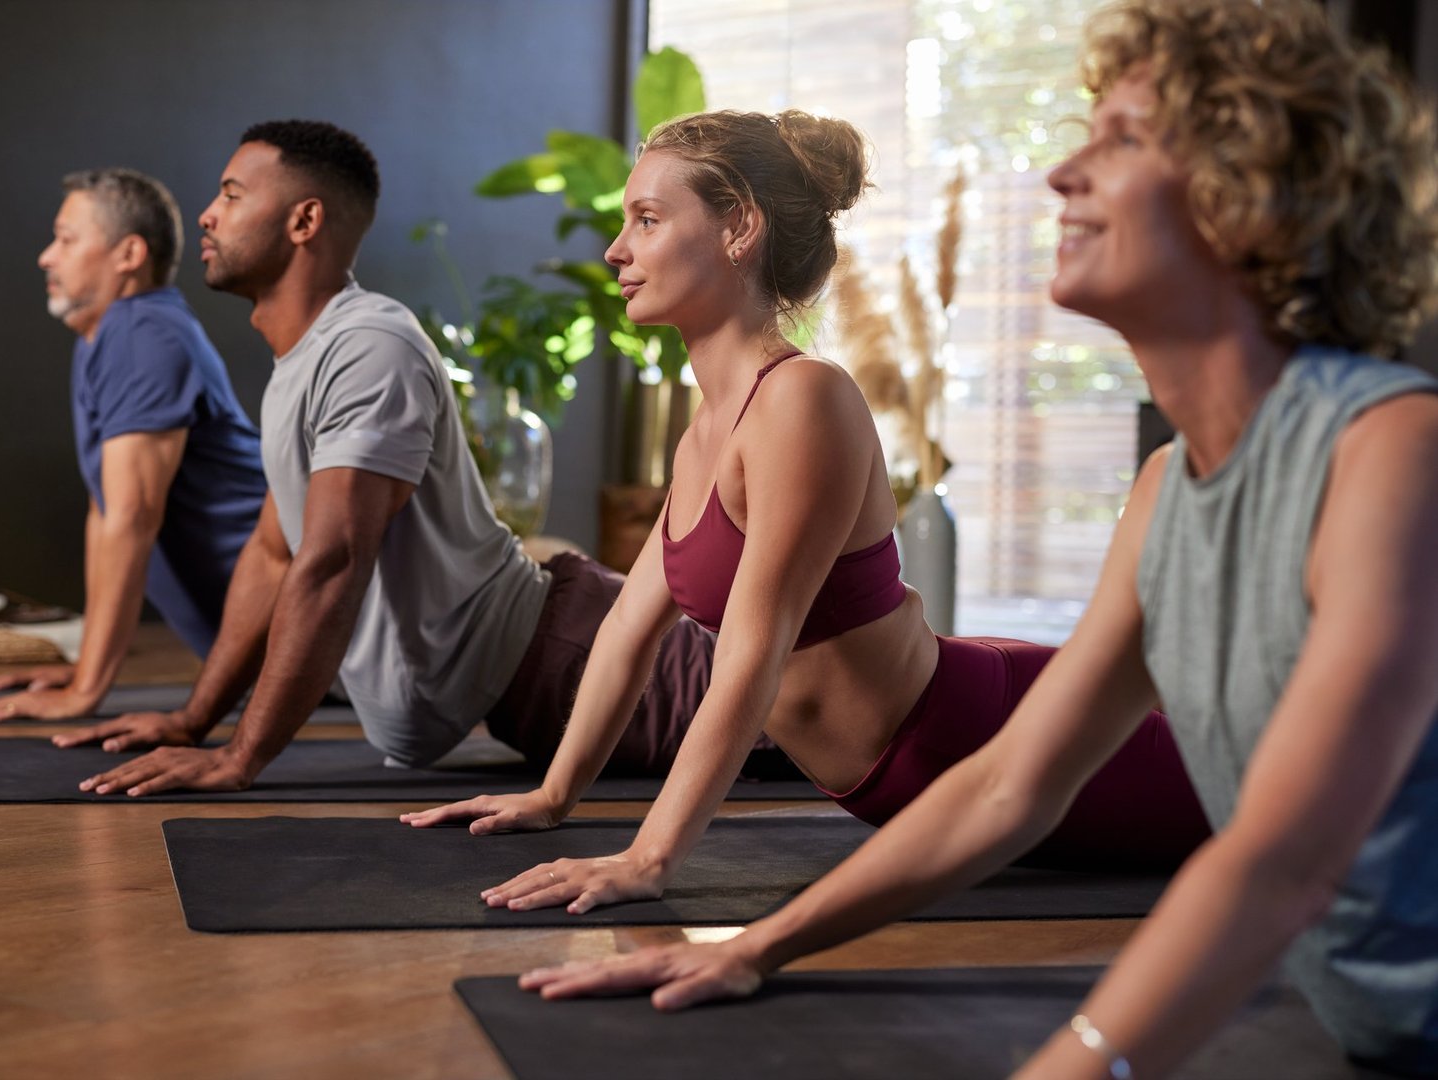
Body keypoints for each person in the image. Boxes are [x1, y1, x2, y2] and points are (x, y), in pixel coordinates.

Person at [512, 1, 1438, 1075]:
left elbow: (1283, 863)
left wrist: (1072, 1063)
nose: (1060, 174)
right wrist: (756, 951)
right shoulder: (1166, 491)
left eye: (1123, 139)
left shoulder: (1392, 451)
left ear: (1252, 202)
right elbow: (1009, 789)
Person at [400, 104, 1212, 908]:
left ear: (738, 228)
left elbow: (753, 651)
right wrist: (553, 798)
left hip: (987, 740)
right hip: (908, 778)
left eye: (647, 220)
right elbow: (626, 631)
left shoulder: (802, 401)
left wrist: (650, 859)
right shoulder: (702, 439)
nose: (618, 250)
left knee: (1268, 799)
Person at [52, 120, 716, 794]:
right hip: (539, 680)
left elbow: (333, 559)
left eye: (230, 194)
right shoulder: (304, 361)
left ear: (303, 220)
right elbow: (272, 553)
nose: (207, 214)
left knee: (803, 718)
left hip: (580, 657)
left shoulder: (370, 348)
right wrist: (194, 722)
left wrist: (240, 756)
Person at [0, 168, 266, 723]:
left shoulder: (142, 334)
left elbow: (132, 518)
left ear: (129, 254)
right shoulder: (110, 333)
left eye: (67, 239)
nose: (46, 257)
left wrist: (84, 695)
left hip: (322, 653)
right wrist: (87, 666)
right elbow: (106, 512)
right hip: (258, 656)